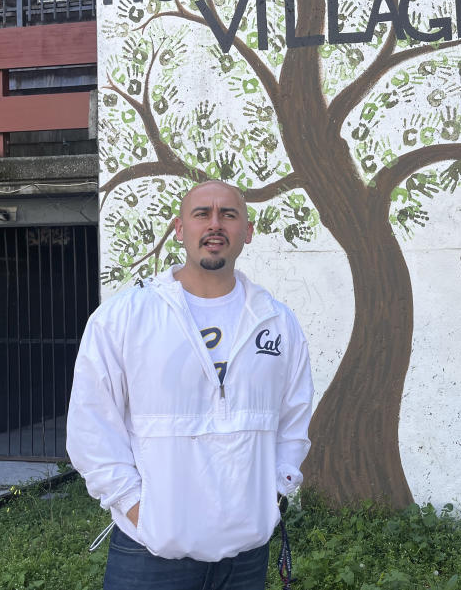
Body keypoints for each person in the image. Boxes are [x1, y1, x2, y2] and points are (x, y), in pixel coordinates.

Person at [66, 180, 314, 590]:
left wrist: (272, 495)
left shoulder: (278, 322)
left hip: (246, 554)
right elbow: (92, 426)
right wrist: (137, 510)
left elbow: (294, 418)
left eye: (228, 214)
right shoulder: (124, 318)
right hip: (151, 552)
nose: (215, 224)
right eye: (202, 214)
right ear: (180, 230)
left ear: (247, 233)